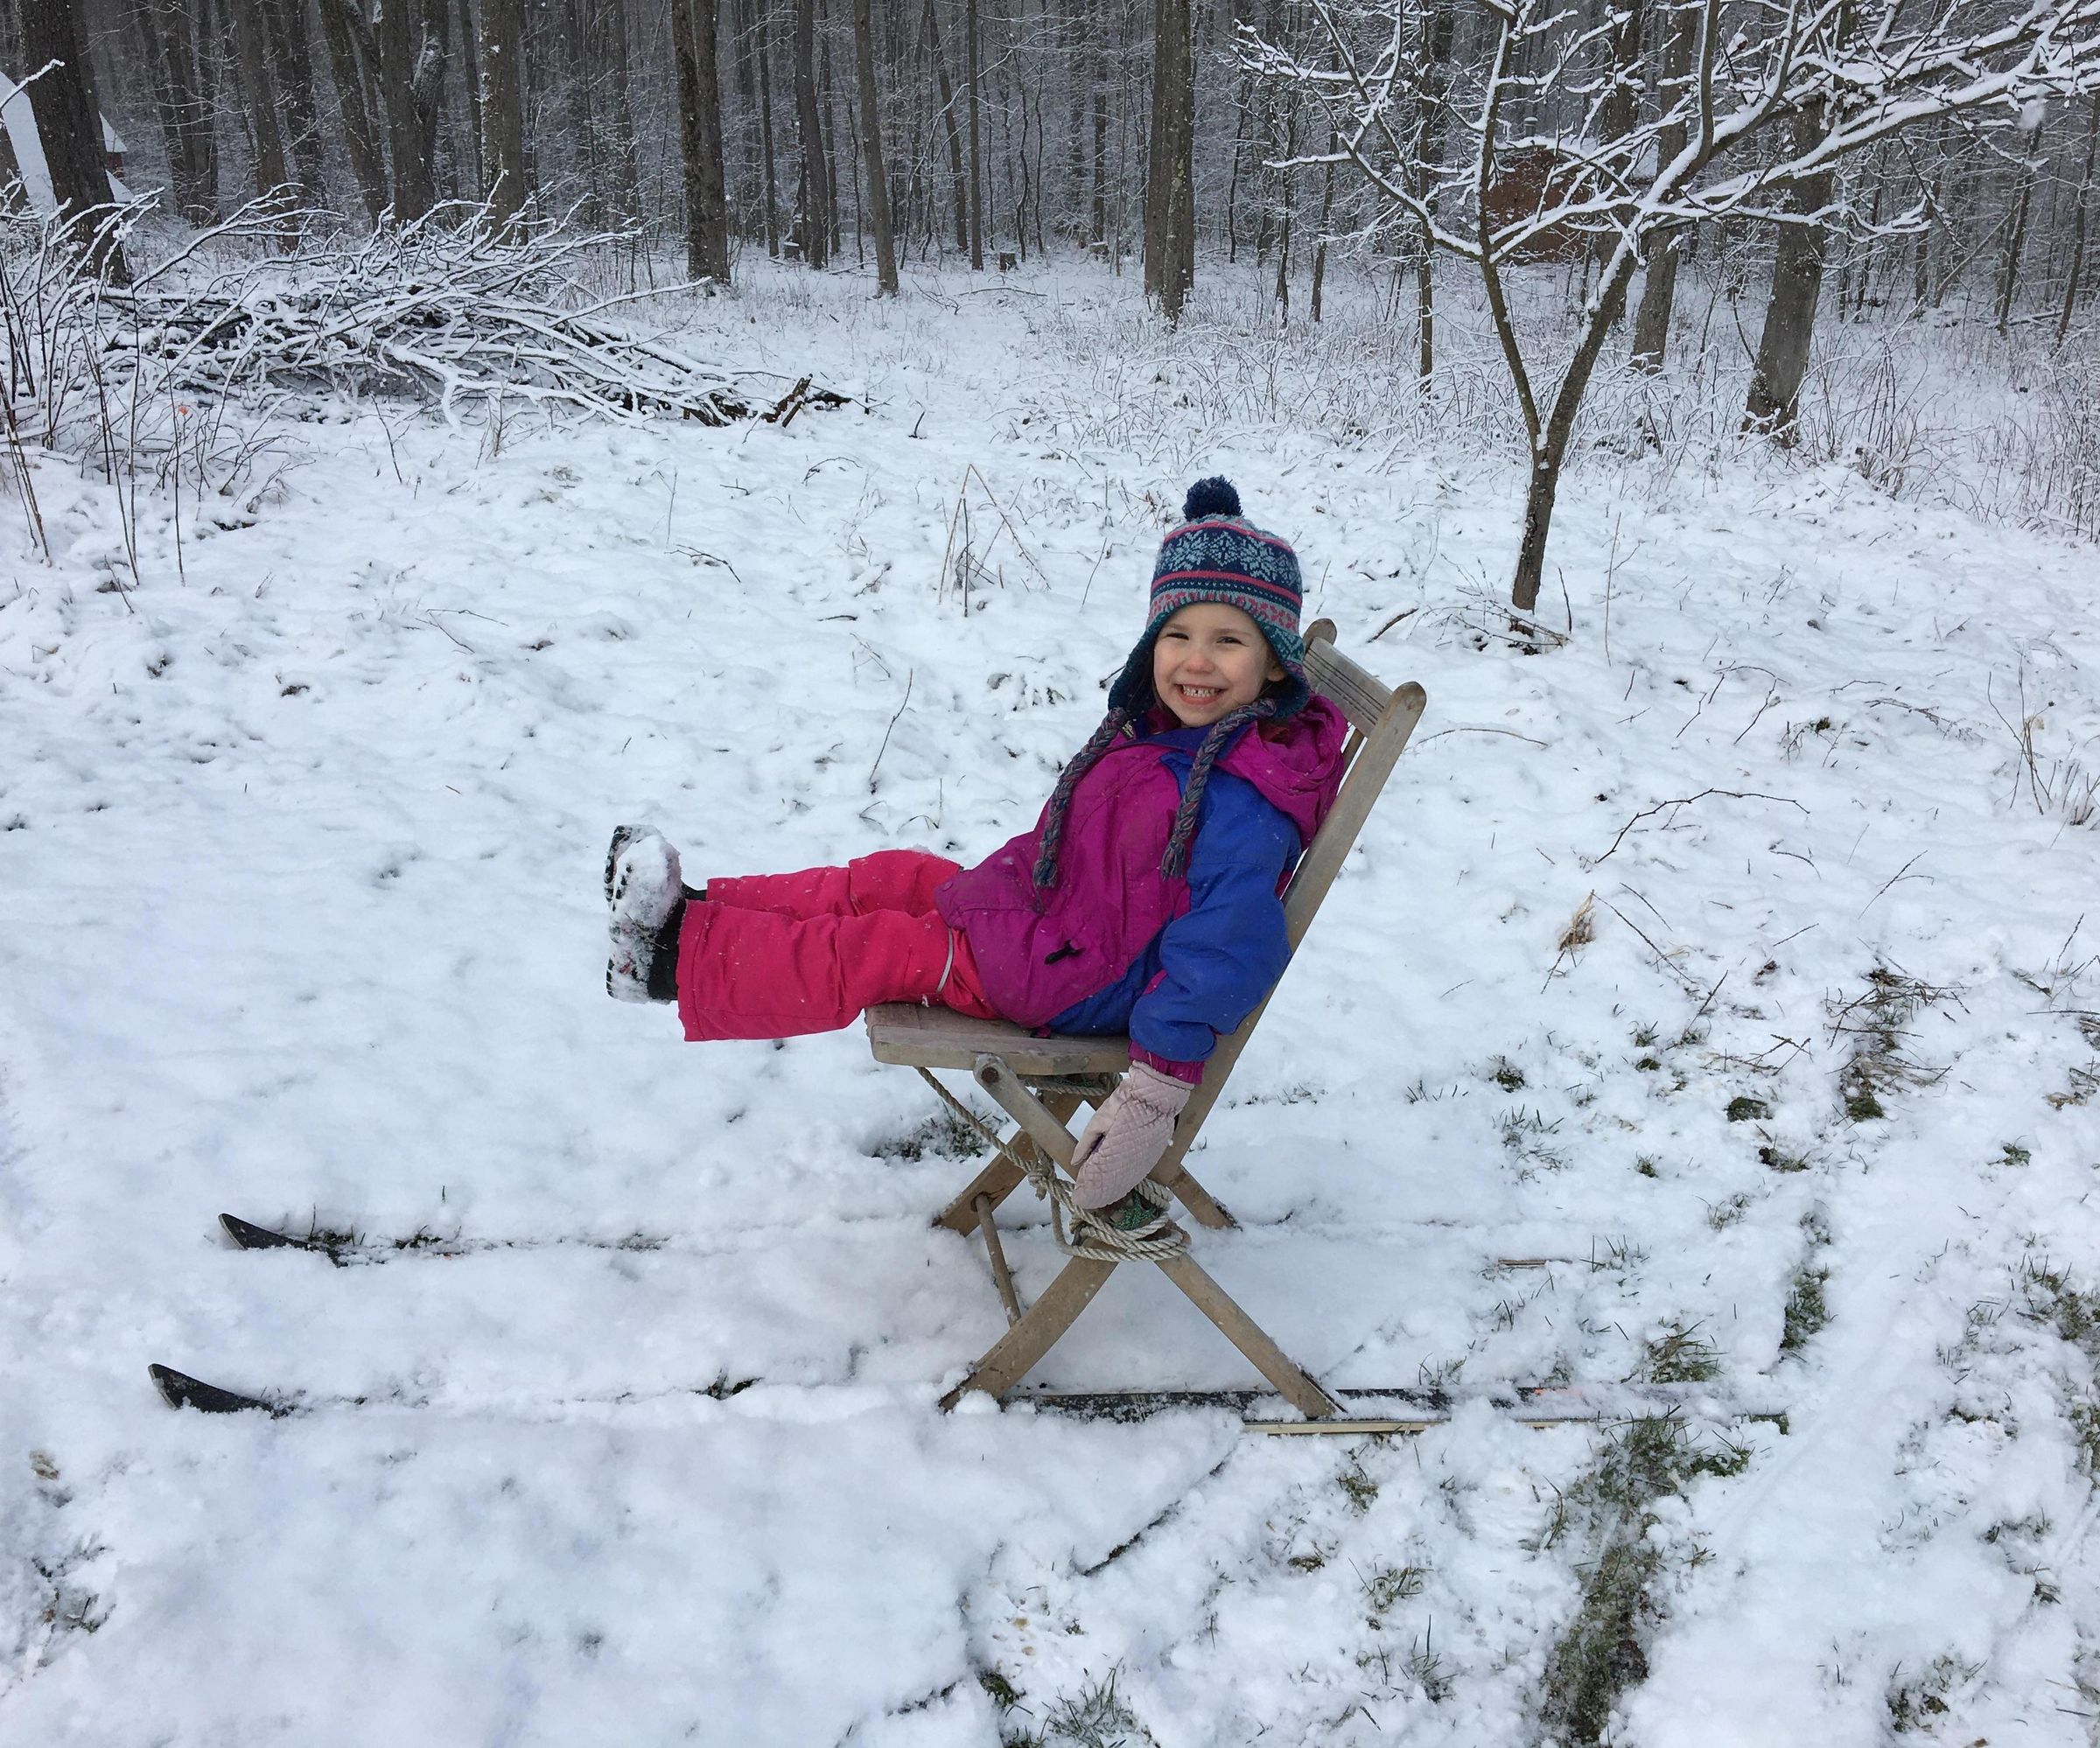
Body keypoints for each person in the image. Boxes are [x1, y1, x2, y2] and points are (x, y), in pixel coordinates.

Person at [604, 477, 1347, 1225]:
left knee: (885, 946)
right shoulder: (1171, 735)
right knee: (894, 876)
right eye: (1178, 635)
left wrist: (1153, 1096)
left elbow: (1221, 951)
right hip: (1049, 921)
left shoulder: (1245, 802)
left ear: (1275, 663)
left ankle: (669, 963)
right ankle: (693, 909)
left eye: (1228, 642)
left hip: (1073, 980)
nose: (1195, 661)